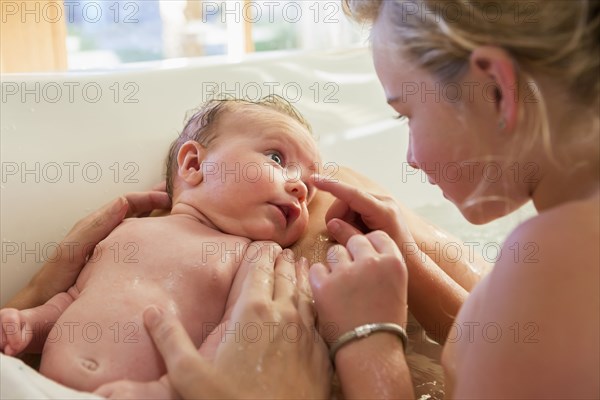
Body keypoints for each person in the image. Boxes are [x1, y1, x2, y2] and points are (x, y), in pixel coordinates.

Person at [109, 0, 598, 399]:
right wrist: (410, 258)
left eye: (406, 114)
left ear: (496, 90)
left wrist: (367, 339)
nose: (409, 159)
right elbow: (511, 341)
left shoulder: (552, 263)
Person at [0, 96, 329, 395]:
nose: (299, 186)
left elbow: (234, 339)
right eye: (276, 157)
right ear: (194, 165)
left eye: (309, 186)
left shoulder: (253, 259)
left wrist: (166, 390)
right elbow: (73, 301)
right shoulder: (129, 228)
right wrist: (30, 324)